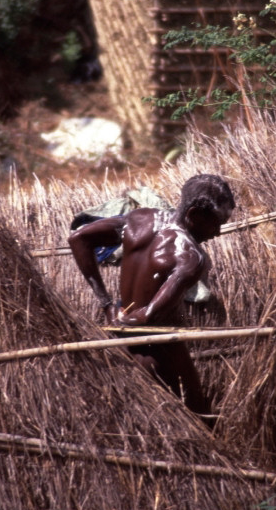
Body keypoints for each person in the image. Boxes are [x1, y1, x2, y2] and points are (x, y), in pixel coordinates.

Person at [68, 174, 235, 414]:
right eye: (216, 223)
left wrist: (107, 305)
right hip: (159, 356)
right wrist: (129, 319)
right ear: (194, 215)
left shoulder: (140, 219)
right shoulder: (190, 257)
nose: (218, 232)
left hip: (120, 347)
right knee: (199, 419)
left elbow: (78, 238)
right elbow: (148, 317)